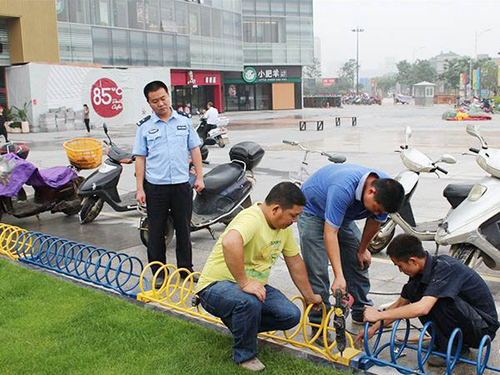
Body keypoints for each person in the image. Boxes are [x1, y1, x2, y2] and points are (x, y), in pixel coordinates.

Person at [195, 182, 322, 372]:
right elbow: (230, 242)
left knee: (290, 315)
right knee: (248, 303)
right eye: (293, 215)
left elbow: (295, 262)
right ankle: (245, 356)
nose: (295, 221)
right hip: (215, 287)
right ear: (276, 209)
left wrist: (310, 296)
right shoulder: (251, 218)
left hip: (252, 289)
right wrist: (244, 282)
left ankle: (241, 325)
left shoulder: (283, 228)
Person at [357, 234, 499, 367]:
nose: (400, 270)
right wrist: (373, 328)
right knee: (416, 292)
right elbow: (401, 304)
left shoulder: (446, 268)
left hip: (481, 328)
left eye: (400, 266)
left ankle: (457, 349)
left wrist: (379, 314)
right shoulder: (421, 273)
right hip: (468, 319)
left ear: (413, 261)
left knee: (437, 300)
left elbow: (422, 308)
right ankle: (442, 341)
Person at [298, 163, 405, 331]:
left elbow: (374, 222)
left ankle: (361, 312)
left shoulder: (386, 193)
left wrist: (363, 250)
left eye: (381, 211)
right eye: (376, 209)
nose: (377, 213)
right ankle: (318, 324)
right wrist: (339, 276)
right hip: (313, 211)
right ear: (370, 192)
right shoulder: (343, 188)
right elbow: (330, 233)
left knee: (359, 261)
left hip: (343, 215)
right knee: (317, 269)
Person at [133, 80, 204, 286]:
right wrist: (139, 188)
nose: (160, 103)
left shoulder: (183, 122)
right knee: (156, 230)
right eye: (155, 101)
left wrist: (199, 177)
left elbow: (195, 150)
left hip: (181, 185)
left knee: (184, 228)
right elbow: (140, 158)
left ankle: (185, 269)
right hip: (155, 187)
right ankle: (159, 272)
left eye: (163, 98)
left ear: (168, 96)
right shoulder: (145, 127)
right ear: (149, 103)